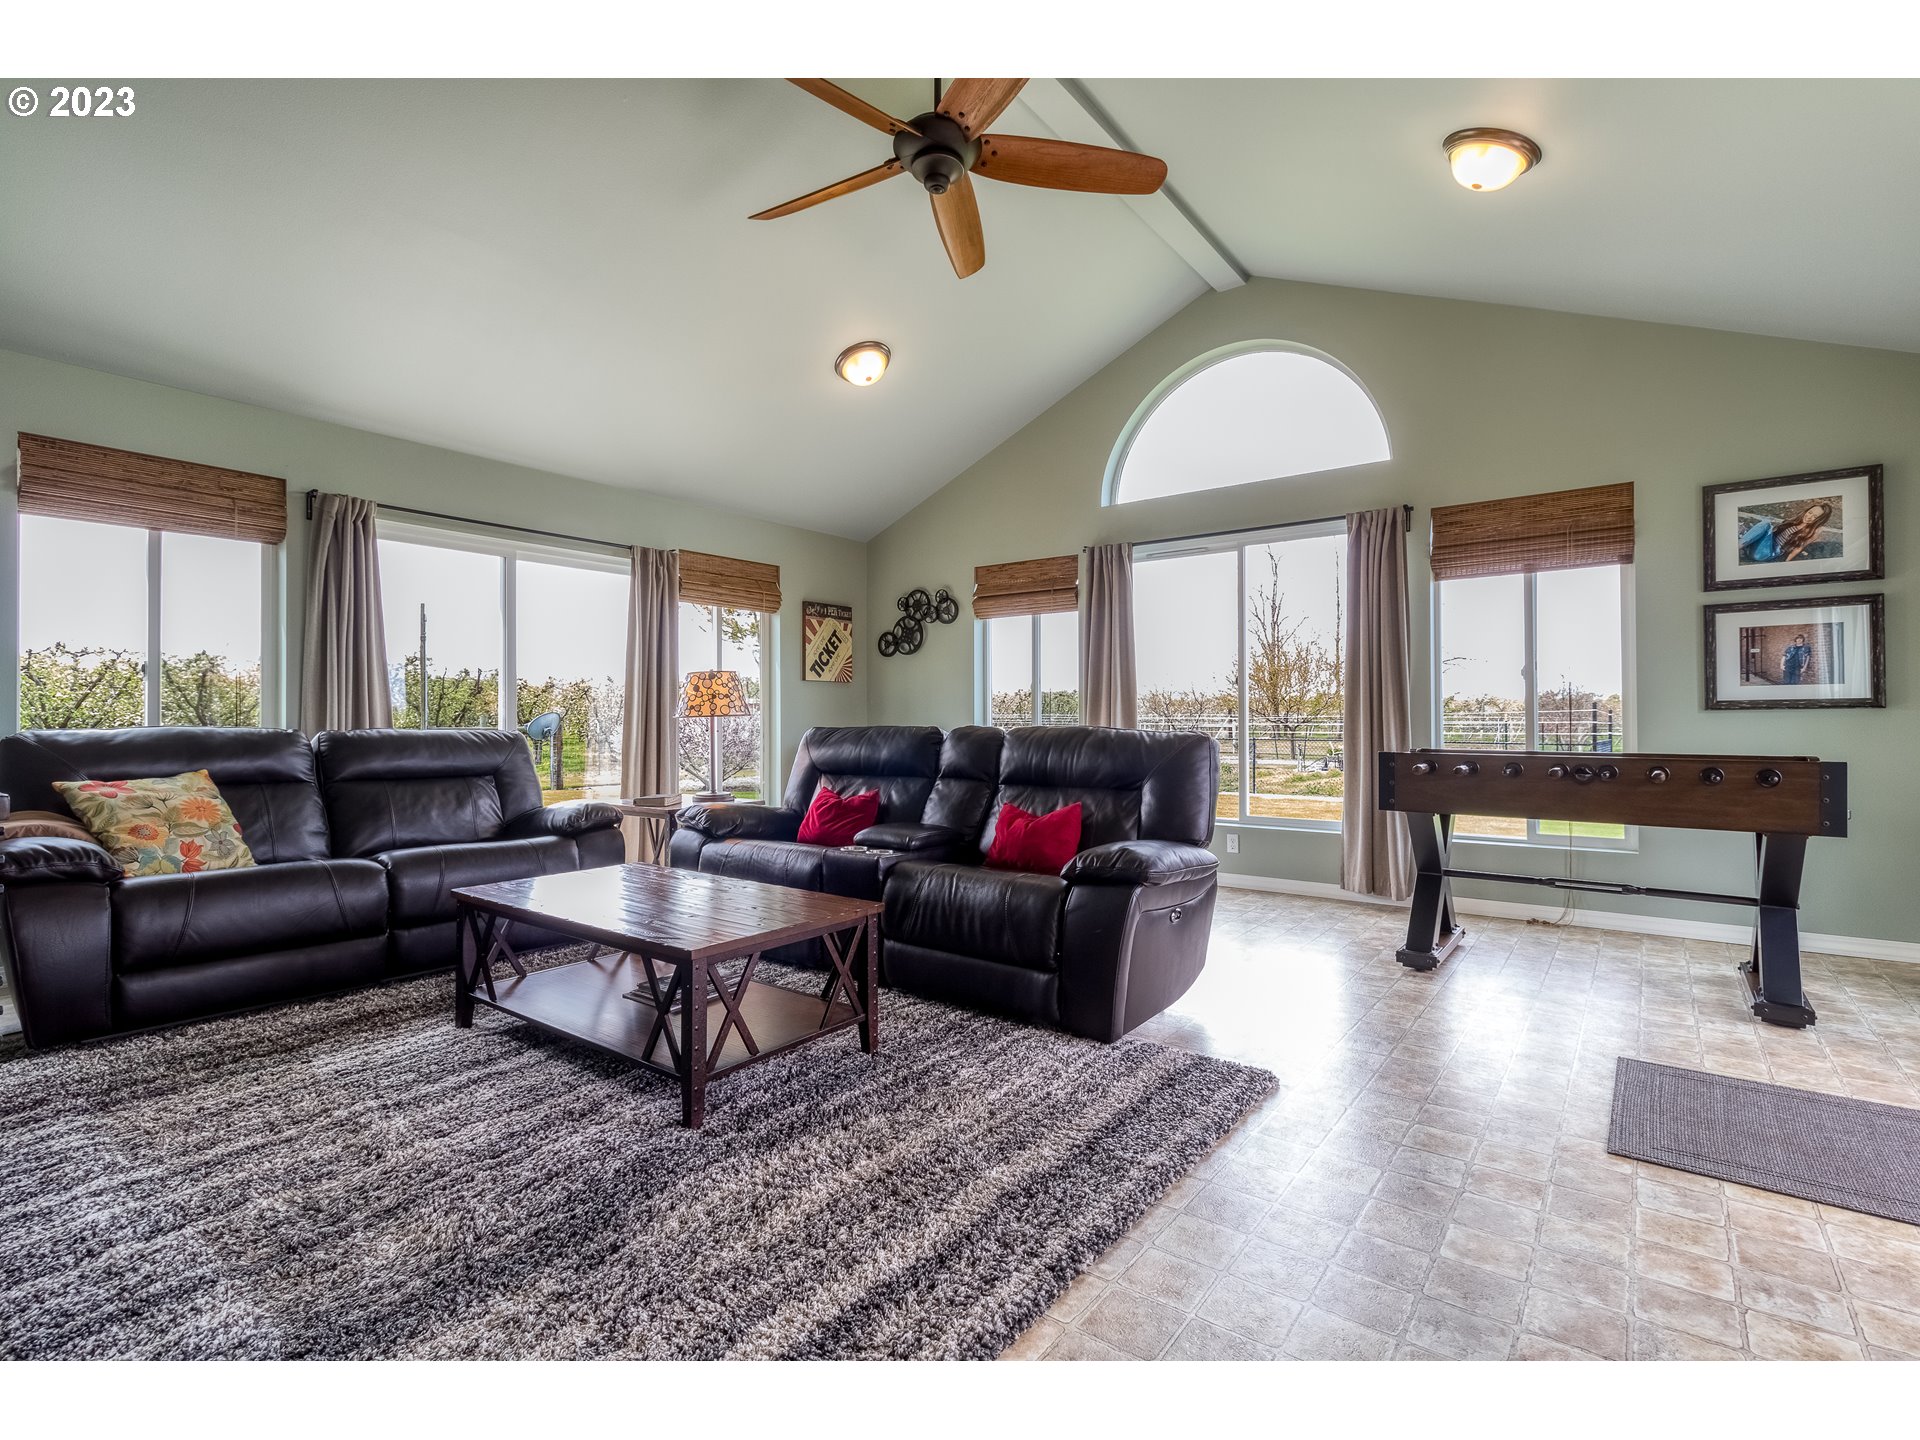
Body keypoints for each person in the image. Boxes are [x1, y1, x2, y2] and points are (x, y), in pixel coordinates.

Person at [1740, 500, 1835, 565]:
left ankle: (1738, 546)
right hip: (1759, 546)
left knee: (1766, 523)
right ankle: (1741, 545)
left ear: (1819, 520)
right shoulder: (1795, 521)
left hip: (1766, 552)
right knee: (1756, 527)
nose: (1809, 517)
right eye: (1810, 512)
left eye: (1814, 516)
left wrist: (1786, 564)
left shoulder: (1812, 533)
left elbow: (1798, 548)